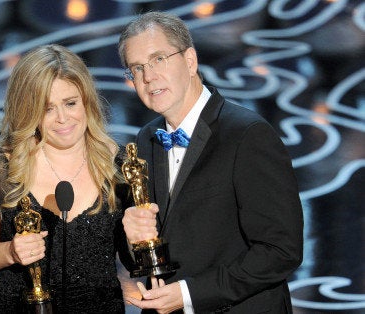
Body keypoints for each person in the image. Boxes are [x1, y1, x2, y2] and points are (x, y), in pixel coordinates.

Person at [118, 11, 304, 314]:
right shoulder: (145, 139)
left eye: (158, 59)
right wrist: (132, 237)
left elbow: (281, 251)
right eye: (136, 68)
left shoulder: (248, 135)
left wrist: (190, 294)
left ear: (190, 60)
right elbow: (151, 249)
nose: (148, 76)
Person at [0, 44, 134, 313]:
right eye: (47, 108)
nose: (63, 118)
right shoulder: (2, 166)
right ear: (28, 110)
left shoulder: (119, 165)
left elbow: (132, 258)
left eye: (70, 103)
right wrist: (11, 252)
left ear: (86, 100)